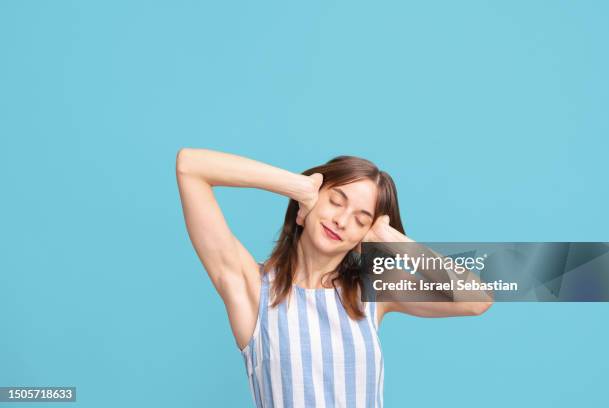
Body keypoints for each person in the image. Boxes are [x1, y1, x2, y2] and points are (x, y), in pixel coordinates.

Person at [175, 148, 492, 407]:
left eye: (360, 219)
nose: (341, 221)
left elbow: (476, 300)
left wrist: (389, 237)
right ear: (306, 206)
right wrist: (297, 185)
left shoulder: (373, 292)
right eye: (336, 201)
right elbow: (191, 166)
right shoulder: (251, 288)